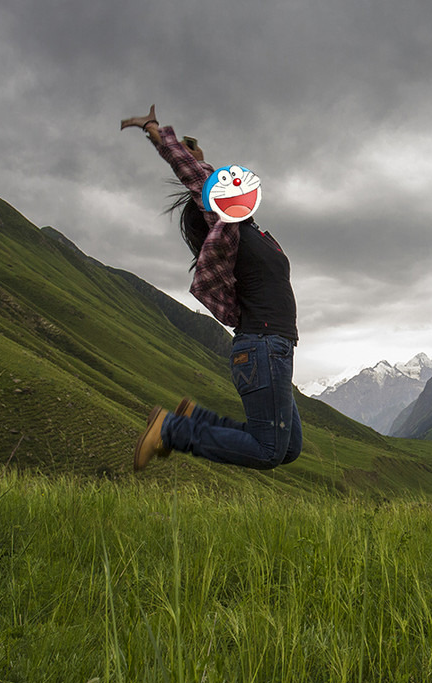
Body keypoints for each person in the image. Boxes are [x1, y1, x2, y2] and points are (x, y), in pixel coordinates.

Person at [121, 105, 302, 471]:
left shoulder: (250, 230)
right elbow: (193, 175)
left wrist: (199, 157)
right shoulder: (228, 229)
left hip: (276, 347)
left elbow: (205, 175)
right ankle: (171, 430)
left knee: (288, 449)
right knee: (268, 450)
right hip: (262, 346)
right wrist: (156, 131)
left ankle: (195, 419)